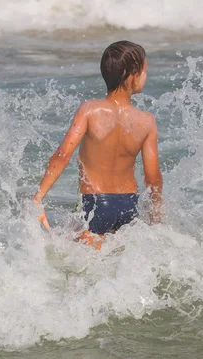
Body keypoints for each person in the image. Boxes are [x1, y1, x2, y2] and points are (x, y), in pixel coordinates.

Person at [32, 40, 163, 249]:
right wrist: (156, 213)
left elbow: (62, 155)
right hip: (129, 205)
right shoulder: (146, 121)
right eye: (145, 70)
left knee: (81, 262)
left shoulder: (90, 110)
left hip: (96, 204)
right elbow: (153, 176)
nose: (146, 76)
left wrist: (38, 198)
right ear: (133, 75)